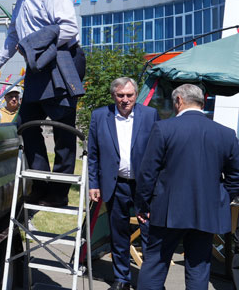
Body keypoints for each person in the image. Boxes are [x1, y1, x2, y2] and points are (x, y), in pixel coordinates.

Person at [0, 0, 85, 207]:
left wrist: (39, 49)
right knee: (26, 123)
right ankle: (40, 184)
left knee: (63, 127)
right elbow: (13, 38)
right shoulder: (21, 1)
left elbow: (70, 29)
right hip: (37, 67)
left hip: (62, 62)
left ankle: (59, 194)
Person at [135, 84, 239, 290]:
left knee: (155, 264)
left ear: (179, 101)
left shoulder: (164, 128)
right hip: (207, 211)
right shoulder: (226, 133)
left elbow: (148, 173)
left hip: (167, 211)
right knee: (199, 268)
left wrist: (142, 205)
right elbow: (235, 176)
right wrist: (221, 199)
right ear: (202, 102)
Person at [87, 77, 159, 290]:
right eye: (120, 95)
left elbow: (157, 151)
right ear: (113, 96)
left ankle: (150, 281)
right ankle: (122, 279)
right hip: (115, 185)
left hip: (143, 187)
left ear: (136, 95)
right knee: (118, 234)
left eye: (129, 95)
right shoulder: (100, 116)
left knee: (148, 233)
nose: (125, 100)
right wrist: (93, 184)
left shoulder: (150, 115)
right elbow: (93, 154)